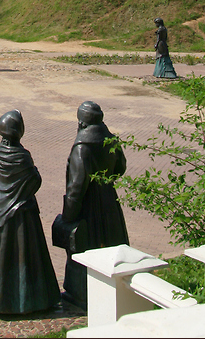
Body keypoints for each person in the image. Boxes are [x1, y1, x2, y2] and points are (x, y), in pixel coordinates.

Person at [0, 110, 60, 314]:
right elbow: (35, 181)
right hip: (22, 216)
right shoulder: (22, 156)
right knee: (25, 257)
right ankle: (27, 300)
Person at [59, 101, 129, 310]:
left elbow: (76, 188)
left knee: (84, 252)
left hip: (88, 207)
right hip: (109, 200)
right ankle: (114, 290)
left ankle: (82, 295)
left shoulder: (82, 149)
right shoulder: (111, 140)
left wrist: (68, 217)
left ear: (81, 122)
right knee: (112, 247)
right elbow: (121, 167)